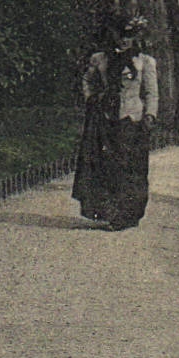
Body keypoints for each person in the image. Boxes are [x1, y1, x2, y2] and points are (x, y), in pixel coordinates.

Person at [72, 13, 159, 231]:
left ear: (135, 37)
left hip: (132, 120)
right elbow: (87, 81)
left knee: (130, 167)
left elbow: (151, 93)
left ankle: (129, 213)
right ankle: (111, 213)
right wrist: (92, 98)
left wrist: (150, 115)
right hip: (106, 119)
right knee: (107, 166)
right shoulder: (100, 59)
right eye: (120, 35)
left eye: (128, 36)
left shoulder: (144, 62)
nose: (124, 40)